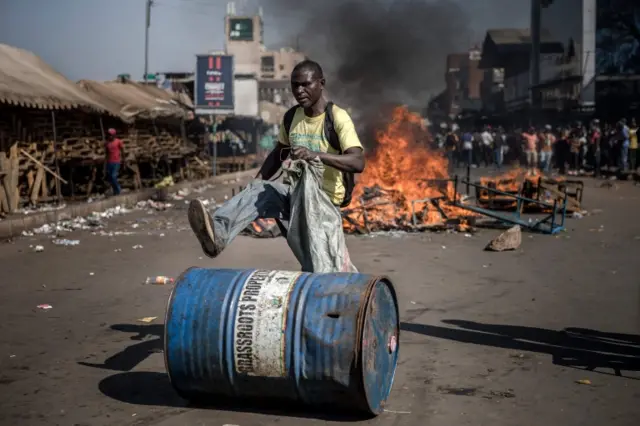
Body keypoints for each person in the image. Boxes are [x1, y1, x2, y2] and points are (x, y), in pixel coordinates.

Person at [187, 60, 365, 259]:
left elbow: (357, 162)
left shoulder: (337, 118)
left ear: (321, 83)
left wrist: (316, 155)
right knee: (258, 191)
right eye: (295, 85)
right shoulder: (291, 117)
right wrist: (257, 181)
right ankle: (216, 236)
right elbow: (278, 153)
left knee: (321, 269)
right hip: (295, 197)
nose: (299, 90)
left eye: (306, 84)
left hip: (324, 204)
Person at [104, 128, 124, 195]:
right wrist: (105, 163)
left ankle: (118, 189)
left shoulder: (118, 141)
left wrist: (124, 160)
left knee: (113, 176)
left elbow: (122, 151)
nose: (110, 136)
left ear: (114, 135)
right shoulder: (107, 143)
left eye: (111, 135)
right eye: (109, 135)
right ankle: (115, 191)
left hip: (116, 161)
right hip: (109, 162)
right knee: (110, 178)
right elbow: (107, 154)